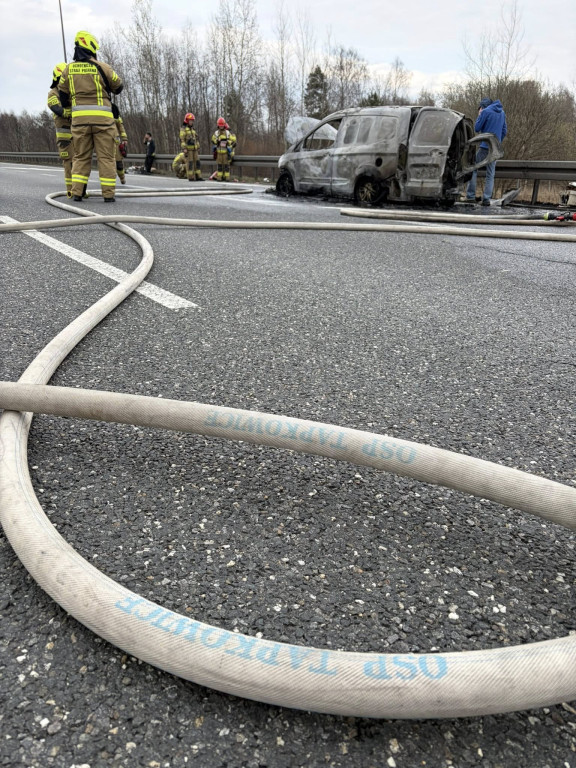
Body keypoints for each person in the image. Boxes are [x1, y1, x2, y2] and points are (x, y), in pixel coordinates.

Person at [58, 31, 123, 203]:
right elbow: (119, 86)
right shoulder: (103, 67)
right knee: (107, 158)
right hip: (104, 122)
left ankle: (77, 193)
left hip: (79, 123)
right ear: (92, 47)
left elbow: (63, 98)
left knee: (80, 157)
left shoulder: (68, 70)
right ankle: (108, 195)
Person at [466, 98, 507, 206]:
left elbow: (477, 128)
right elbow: (504, 131)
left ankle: (470, 196)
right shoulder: (502, 112)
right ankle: (486, 199)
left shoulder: (485, 112)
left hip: (484, 146)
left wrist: (480, 115)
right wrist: (497, 142)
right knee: (490, 174)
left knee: (473, 168)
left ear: (482, 107)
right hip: (495, 148)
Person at [47, 62, 75, 196]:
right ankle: (70, 190)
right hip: (65, 138)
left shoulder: (71, 91)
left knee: (80, 161)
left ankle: (80, 189)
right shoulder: (53, 94)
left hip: (77, 132)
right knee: (69, 163)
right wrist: (71, 112)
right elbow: (57, 109)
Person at [179, 113, 202, 181]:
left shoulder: (193, 129)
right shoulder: (183, 129)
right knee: (190, 163)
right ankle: (191, 176)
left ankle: (198, 176)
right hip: (188, 150)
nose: (192, 122)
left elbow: (196, 139)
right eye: (190, 121)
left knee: (197, 162)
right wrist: (184, 148)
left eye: (192, 121)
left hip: (194, 149)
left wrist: (198, 146)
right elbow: (182, 140)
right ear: (187, 121)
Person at [211, 117, 233, 181]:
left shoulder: (227, 133)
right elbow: (213, 139)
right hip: (219, 152)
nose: (221, 127)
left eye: (222, 125)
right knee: (219, 165)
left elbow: (231, 140)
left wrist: (227, 142)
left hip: (225, 152)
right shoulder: (216, 133)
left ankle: (227, 178)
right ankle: (219, 177)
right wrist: (217, 141)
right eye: (220, 125)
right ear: (218, 125)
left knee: (226, 165)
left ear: (224, 125)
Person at [114, 112, 128, 185]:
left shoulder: (114, 111)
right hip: (103, 142)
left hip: (115, 142)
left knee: (118, 163)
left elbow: (121, 127)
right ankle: (109, 180)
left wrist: (124, 138)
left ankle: (122, 177)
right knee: (106, 162)